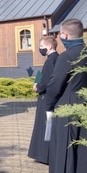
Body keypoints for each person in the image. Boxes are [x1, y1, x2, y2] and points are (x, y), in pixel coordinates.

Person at [45, 19, 87, 173]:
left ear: (65, 35)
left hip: (66, 110)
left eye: (60, 34)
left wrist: (48, 106)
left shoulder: (66, 56)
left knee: (64, 153)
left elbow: (54, 85)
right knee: (84, 153)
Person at [27, 36, 58, 164]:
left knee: (45, 125)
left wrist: (37, 86)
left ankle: (44, 155)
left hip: (46, 98)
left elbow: (46, 81)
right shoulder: (57, 58)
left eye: (41, 47)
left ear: (49, 46)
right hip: (50, 97)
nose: (40, 49)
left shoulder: (51, 60)